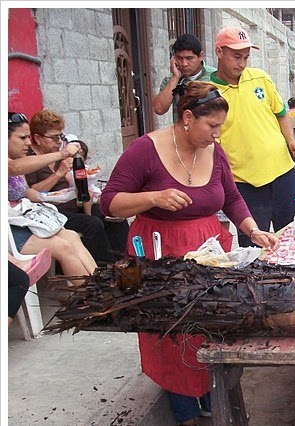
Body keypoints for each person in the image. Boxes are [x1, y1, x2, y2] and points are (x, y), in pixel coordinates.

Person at [99, 81, 279, 426]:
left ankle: (211, 393)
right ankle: (184, 408)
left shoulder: (215, 151)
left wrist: (253, 231)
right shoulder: (145, 149)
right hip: (159, 251)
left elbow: (231, 198)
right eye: (212, 126)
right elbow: (109, 202)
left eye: (220, 127)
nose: (217, 134)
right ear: (186, 118)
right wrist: (152, 198)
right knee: (173, 330)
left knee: (212, 324)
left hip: (210, 248)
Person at [209, 25, 295, 247]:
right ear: (219, 52)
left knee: (291, 241)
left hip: (283, 175)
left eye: (246, 57)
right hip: (244, 184)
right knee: (254, 249)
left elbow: (281, 113)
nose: (242, 64)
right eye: (236, 56)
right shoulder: (209, 92)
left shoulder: (260, 78)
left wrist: (291, 141)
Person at [8, 112, 98, 284]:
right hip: (10, 230)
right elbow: (13, 168)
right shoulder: (13, 163)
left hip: (26, 218)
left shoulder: (17, 159)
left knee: (71, 236)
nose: (28, 142)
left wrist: (46, 197)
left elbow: (27, 191)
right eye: (22, 137)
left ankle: (101, 287)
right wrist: (61, 154)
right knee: (63, 247)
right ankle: (91, 297)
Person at [24, 109, 120, 264]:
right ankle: (106, 270)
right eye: (54, 138)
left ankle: (125, 262)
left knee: (111, 211)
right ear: (37, 138)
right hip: (51, 211)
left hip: (75, 203)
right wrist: (59, 173)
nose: (58, 142)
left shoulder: (58, 153)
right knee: (93, 224)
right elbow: (31, 192)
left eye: (60, 137)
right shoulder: (29, 158)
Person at [153, 34, 217, 118]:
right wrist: (175, 78)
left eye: (189, 58)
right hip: (182, 130)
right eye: (179, 58)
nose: (184, 64)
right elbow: (159, 109)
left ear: (200, 56)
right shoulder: (172, 79)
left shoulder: (215, 76)